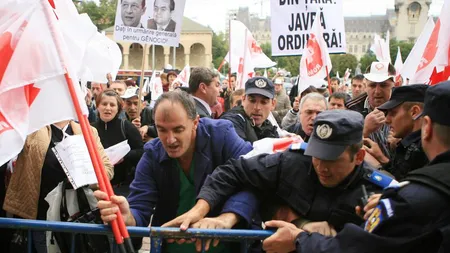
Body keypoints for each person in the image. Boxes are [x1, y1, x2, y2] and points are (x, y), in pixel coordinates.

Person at [261, 81, 450, 253]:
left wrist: (299, 239)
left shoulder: (410, 199)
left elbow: (355, 247)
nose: (322, 166)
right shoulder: (412, 194)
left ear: (427, 126)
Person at [173, 110, 384, 238]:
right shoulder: (293, 162)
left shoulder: (378, 194)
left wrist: (310, 236)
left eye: (331, 159)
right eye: (317, 155)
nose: (321, 166)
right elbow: (234, 171)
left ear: (358, 157)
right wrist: (200, 209)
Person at [95, 91, 258, 252]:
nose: (170, 139)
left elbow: (252, 179)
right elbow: (140, 207)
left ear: (195, 122)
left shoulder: (222, 135)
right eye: (162, 130)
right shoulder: (152, 154)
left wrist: (226, 219)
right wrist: (127, 216)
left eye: (178, 130)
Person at [4, 120, 113, 252]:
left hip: (80, 215)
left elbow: (107, 169)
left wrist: (83, 175)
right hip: (42, 216)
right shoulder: (31, 129)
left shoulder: (88, 131)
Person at [364, 84, 429, 180]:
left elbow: (406, 188)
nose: (387, 120)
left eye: (393, 113)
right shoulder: (410, 143)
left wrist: (377, 166)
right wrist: (381, 158)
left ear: (414, 112)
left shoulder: (425, 147)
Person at [92, 89, 144, 196]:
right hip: (95, 187)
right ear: (97, 106)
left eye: (112, 105)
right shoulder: (90, 128)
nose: (108, 108)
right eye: (104, 104)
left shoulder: (126, 126)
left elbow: (141, 151)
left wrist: (124, 156)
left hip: (122, 188)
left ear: (118, 108)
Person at [220, 77, 279, 143]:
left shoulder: (268, 126)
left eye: (263, 102)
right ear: (243, 99)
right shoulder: (232, 122)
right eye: (252, 101)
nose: (257, 107)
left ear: (273, 104)